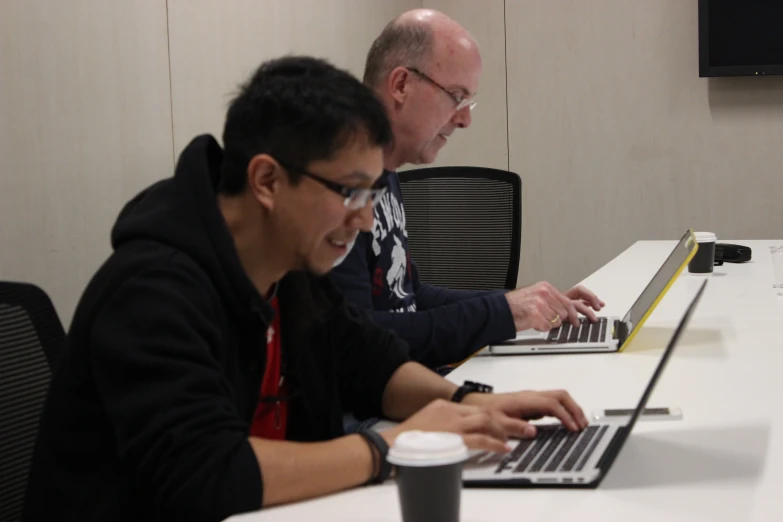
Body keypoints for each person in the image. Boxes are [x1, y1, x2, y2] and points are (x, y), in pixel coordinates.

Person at [22, 56, 588, 522]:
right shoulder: (152, 291)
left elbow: (369, 363)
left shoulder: (288, 268)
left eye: (373, 196)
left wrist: (473, 406)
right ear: (267, 181)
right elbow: (207, 475)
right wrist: (392, 449)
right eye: (351, 193)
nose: (365, 222)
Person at [330, 9, 605, 370]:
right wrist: (502, 313)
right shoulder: (335, 182)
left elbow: (409, 296)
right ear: (401, 85)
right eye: (455, 96)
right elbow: (360, 340)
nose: (464, 119)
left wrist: (523, 303)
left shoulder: (385, 169)